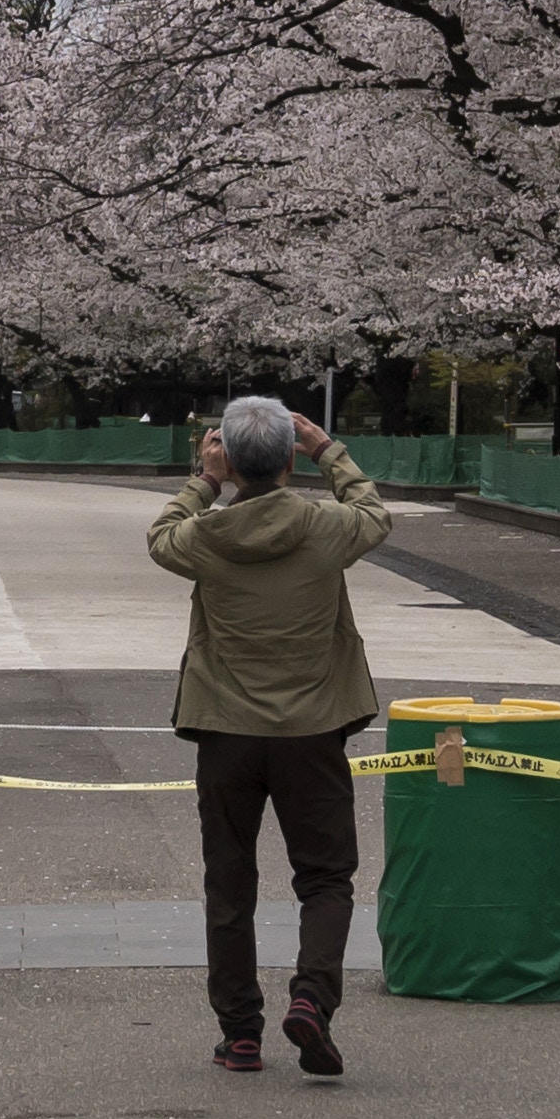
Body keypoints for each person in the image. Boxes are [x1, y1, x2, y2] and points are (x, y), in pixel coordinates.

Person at [148, 394, 390, 1079]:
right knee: (325, 877)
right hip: (312, 729)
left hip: (225, 728)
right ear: (288, 455)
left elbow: (161, 532)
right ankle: (311, 997)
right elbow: (376, 512)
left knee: (229, 882)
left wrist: (205, 478)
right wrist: (327, 450)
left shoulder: (205, 536)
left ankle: (240, 1031)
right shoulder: (326, 527)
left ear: (226, 453)